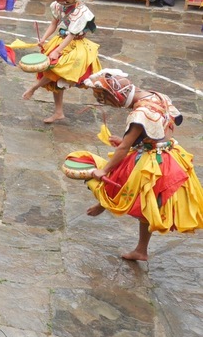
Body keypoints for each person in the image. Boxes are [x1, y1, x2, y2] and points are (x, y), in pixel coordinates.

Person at [79, 70, 203, 261]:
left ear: (118, 95)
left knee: (120, 181)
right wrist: (129, 141)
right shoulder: (158, 96)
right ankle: (141, 249)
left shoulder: (140, 114)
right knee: (146, 201)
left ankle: (104, 205)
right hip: (169, 153)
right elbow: (161, 129)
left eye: (108, 99)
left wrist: (104, 169)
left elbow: (123, 149)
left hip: (154, 161)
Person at [22, 0, 102, 123]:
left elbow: (72, 34)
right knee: (55, 80)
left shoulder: (82, 11)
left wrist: (57, 51)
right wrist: (43, 38)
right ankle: (59, 112)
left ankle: (34, 88)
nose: (62, 0)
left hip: (75, 44)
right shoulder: (58, 6)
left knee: (55, 69)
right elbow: (54, 23)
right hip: (61, 39)